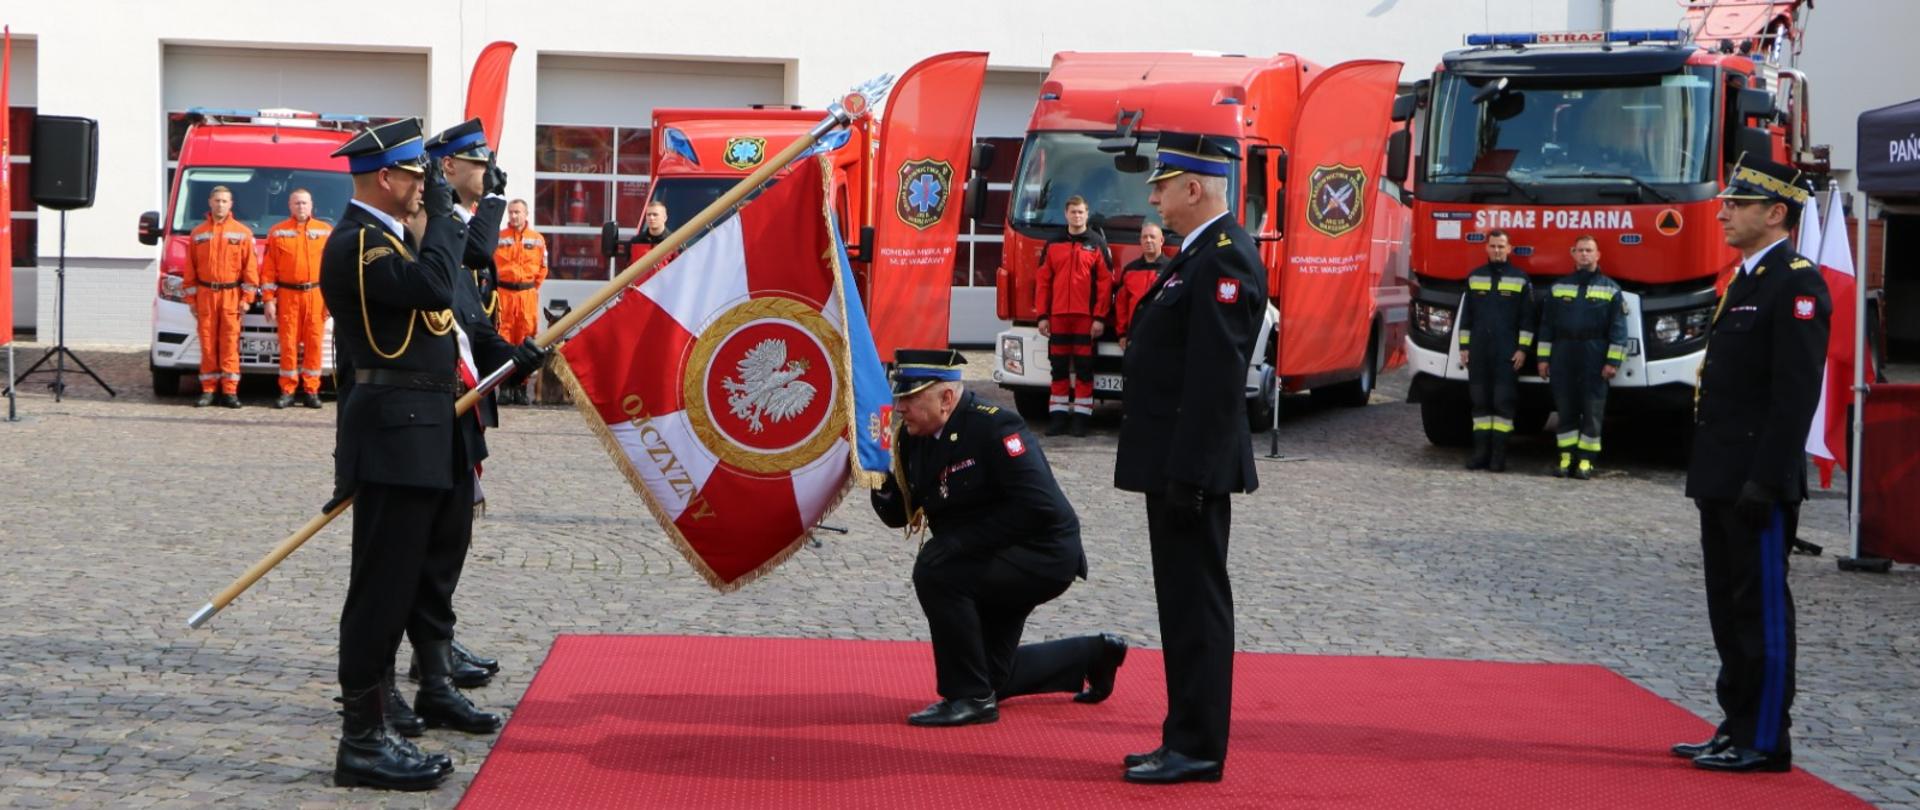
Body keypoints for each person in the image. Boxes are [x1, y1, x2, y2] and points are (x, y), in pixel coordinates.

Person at [317, 117, 542, 791]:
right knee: (381, 591)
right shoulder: (358, 246)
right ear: (386, 179)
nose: (427, 189)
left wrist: (509, 363)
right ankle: (360, 740)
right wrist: (448, 216)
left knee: (412, 578)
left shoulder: (392, 237)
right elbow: (438, 287)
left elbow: (450, 325)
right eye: (418, 178)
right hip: (392, 433)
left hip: (425, 429)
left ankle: (385, 713)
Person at [374, 118, 533, 742]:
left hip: (458, 420)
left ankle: (435, 675)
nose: (487, 172)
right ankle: (392, 687)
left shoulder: (443, 248)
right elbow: (466, 261)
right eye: (478, 164)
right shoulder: (415, 250)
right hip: (420, 425)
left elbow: (471, 325)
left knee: (445, 552)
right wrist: (482, 203)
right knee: (405, 563)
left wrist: (519, 356)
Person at [1114, 133, 1264, 785]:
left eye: (1162, 186)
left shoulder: (1224, 260)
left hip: (1189, 469)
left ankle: (1199, 747)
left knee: (1196, 608)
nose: (1154, 198)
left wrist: (1191, 476)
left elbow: (1215, 381)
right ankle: (1182, 737)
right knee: (1179, 606)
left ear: (1194, 189)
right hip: (1175, 463)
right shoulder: (1199, 255)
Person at [871, 349, 1129, 728]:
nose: (901, 407)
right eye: (900, 397)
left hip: (1041, 554)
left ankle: (968, 699)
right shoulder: (915, 437)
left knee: (937, 569)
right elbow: (899, 514)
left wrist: (957, 545)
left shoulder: (995, 428)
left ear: (946, 398)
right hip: (989, 555)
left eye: (911, 398)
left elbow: (1037, 508)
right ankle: (1092, 654)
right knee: (992, 675)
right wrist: (876, 477)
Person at [1673, 156, 1827, 774]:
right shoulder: (1746, 279)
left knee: (1759, 610)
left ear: (1775, 213)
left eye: (1736, 203)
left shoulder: (1796, 282)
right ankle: (1735, 723)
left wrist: (1768, 476)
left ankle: (1764, 738)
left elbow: (1794, 395)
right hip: (1722, 475)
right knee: (1726, 608)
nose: (1723, 212)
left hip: (1757, 480)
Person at [1535, 235, 1627, 479]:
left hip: (1594, 354)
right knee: (1565, 409)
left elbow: (1618, 330)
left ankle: (1586, 460)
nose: (1585, 254)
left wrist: (1612, 362)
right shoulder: (1558, 288)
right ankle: (1566, 457)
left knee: (1592, 410)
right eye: (1580, 250)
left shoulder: (1611, 289)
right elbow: (1547, 327)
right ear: (1572, 254)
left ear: (1598, 255)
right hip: (1563, 354)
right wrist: (1543, 359)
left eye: (1589, 250)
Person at [1033, 195, 1113, 437]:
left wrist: (1099, 317)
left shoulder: (1096, 243)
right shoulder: (1053, 244)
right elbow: (1043, 282)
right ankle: (1057, 418)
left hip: (1085, 318)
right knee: (1058, 369)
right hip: (1057, 317)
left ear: (1087, 215)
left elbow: (1105, 284)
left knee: (1084, 369)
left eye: (1081, 212)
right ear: (1065, 214)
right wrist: (1043, 316)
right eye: (1073, 212)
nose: (1077, 216)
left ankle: (1081, 419)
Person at [1456, 229, 1534, 471]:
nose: (1497, 250)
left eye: (1501, 246)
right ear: (1486, 248)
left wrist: (1522, 349)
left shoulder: (1521, 279)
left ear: (1509, 249)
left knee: (1503, 403)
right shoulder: (1474, 277)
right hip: (1479, 351)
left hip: (1507, 353)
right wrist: (1464, 347)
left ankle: (1498, 457)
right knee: (1479, 403)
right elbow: (1466, 316)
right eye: (1493, 246)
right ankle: (1480, 454)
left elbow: (1527, 320)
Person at [183, 185, 259, 408]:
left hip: (231, 295)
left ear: (231, 204)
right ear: (210, 202)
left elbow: (250, 270)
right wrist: (191, 300)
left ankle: (229, 391)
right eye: (217, 200)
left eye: (224, 201)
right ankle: (208, 390)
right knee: (207, 344)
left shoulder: (243, 233)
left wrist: (247, 299)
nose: (220, 205)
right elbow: (190, 271)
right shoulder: (198, 233)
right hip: (206, 295)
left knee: (229, 344)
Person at [260, 189, 332, 409]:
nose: (301, 207)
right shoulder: (278, 232)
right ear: (289, 206)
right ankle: (288, 390)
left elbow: (332, 269)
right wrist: (269, 300)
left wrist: (330, 300)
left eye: (304, 203)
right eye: (297, 203)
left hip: (316, 294)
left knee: (314, 344)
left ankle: (312, 391)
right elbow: (269, 271)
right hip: (288, 295)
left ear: (311, 205)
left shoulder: (325, 231)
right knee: (288, 344)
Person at [493, 199, 548, 404]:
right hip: (504, 295)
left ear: (526, 214)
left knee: (527, 340)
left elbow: (543, 268)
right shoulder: (499, 238)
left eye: (518, 212)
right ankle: (505, 386)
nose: (514, 216)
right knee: (503, 340)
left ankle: (522, 387)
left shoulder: (537, 240)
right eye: (511, 212)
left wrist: (530, 289)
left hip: (527, 297)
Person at [1112, 223, 1168, 351]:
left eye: (1152, 237)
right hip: (1134, 335)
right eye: (1145, 237)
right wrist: (1122, 333)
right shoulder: (1130, 270)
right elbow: (1121, 304)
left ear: (1161, 240)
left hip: (1163, 336)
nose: (1148, 240)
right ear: (1140, 241)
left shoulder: (1171, 270)